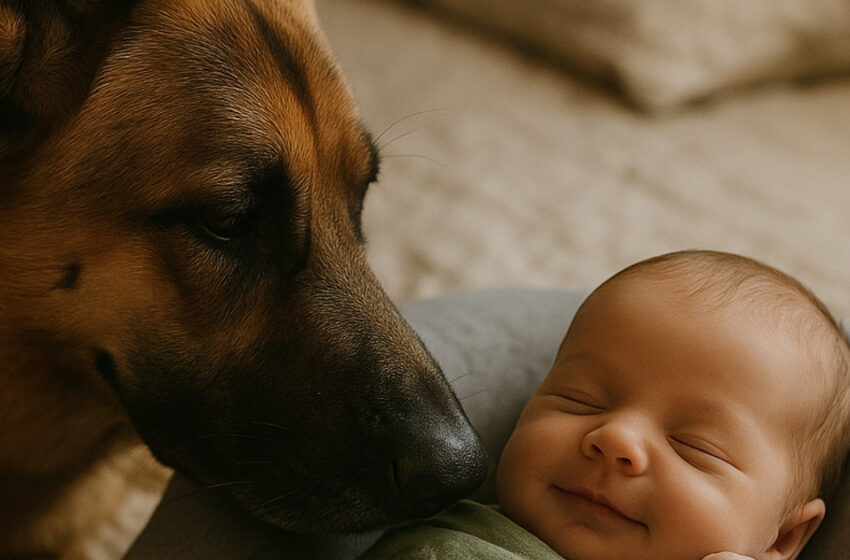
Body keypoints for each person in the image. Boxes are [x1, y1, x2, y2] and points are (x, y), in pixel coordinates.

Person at [358, 250, 850, 560]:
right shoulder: (455, 549)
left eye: (693, 445)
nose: (616, 438)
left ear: (782, 539)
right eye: (581, 400)